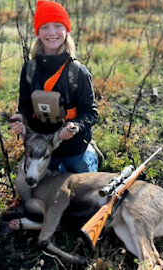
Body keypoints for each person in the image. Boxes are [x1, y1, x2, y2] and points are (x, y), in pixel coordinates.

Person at [9, 0, 99, 174]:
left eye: (58, 25)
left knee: (85, 197)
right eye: (44, 27)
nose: (51, 33)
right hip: (41, 149)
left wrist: (74, 127)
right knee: (32, 193)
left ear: (66, 30)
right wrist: (21, 118)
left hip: (74, 150)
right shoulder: (29, 69)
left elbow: (90, 113)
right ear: (38, 32)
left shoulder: (78, 72)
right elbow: (25, 106)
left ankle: (91, 154)